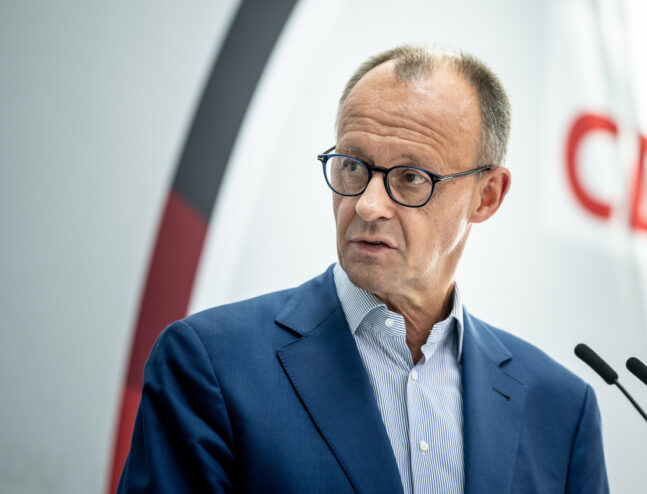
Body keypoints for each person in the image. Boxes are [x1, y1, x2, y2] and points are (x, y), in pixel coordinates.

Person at [117, 45, 609, 493]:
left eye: (411, 177)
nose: (369, 205)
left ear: (487, 196)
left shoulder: (561, 412)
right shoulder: (212, 364)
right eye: (352, 166)